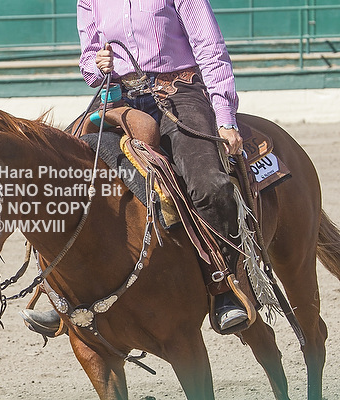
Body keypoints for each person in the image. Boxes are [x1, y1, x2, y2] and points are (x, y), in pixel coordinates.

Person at [21, 0, 248, 337]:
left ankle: (224, 285)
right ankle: (64, 293)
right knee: (63, 173)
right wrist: (99, 64)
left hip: (178, 92)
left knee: (208, 184)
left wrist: (225, 118)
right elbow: (89, 63)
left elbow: (210, 48)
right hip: (118, 99)